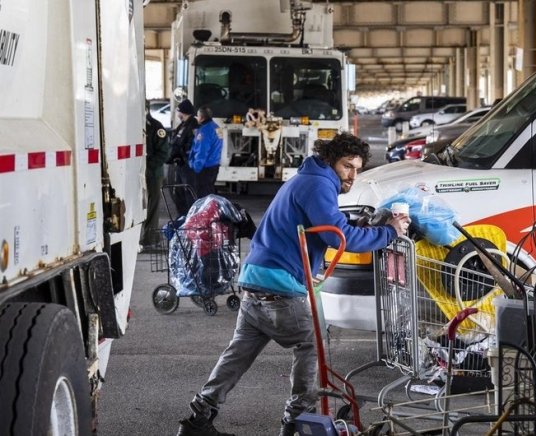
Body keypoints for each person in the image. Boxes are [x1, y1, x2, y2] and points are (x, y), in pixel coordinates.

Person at [176, 133, 410, 436]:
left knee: (238, 356)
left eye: (357, 168)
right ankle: (299, 422)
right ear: (330, 160)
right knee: (312, 344)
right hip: (280, 288)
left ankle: (198, 418)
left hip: (255, 281)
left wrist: (357, 229)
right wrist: (389, 232)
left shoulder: (308, 178)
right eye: (347, 166)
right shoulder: (318, 184)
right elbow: (337, 236)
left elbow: (323, 226)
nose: (353, 175)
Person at [140, 103, 170, 249]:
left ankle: (150, 238)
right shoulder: (134, 126)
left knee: (152, 204)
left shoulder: (156, 127)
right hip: (137, 172)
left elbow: (164, 152)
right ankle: (142, 237)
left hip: (153, 172)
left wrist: (149, 166)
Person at [166, 98, 198, 216]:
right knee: (179, 193)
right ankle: (183, 219)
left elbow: (192, 145)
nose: (177, 113)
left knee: (189, 193)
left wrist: (183, 156)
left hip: (187, 166)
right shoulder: (184, 125)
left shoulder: (193, 125)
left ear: (184, 112)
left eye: (178, 111)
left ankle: (191, 219)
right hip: (181, 165)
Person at [188, 105, 223, 199]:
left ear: (202, 117)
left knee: (202, 197)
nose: (197, 118)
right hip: (214, 165)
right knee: (209, 194)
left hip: (204, 168)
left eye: (198, 116)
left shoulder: (204, 131)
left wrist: (196, 168)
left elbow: (202, 151)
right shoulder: (217, 128)